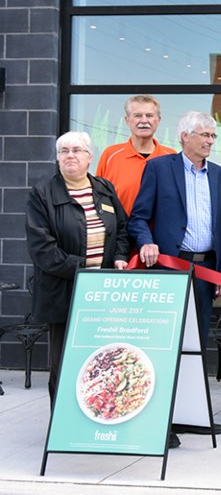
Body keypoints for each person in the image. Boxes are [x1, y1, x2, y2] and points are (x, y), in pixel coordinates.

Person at [26, 131, 129, 402]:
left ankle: (99, 415)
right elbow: (42, 248)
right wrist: (82, 269)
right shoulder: (43, 194)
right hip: (63, 291)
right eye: (64, 151)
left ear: (89, 157)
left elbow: (122, 229)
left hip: (102, 290)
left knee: (103, 359)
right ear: (57, 157)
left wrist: (119, 256)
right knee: (65, 362)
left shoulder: (104, 188)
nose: (70, 155)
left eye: (77, 150)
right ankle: (62, 425)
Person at [128, 111, 221, 347]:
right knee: (164, 337)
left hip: (207, 270)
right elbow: (138, 217)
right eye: (205, 135)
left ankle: (192, 385)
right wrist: (146, 242)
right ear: (185, 136)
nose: (210, 141)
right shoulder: (158, 168)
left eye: (213, 136)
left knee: (198, 337)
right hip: (169, 267)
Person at [95, 95, 177, 216]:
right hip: (120, 232)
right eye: (137, 115)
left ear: (158, 120)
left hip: (158, 233)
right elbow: (98, 197)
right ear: (127, 120)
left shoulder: (171, 157)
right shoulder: (110, 155)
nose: (144, 121)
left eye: (149, 115)